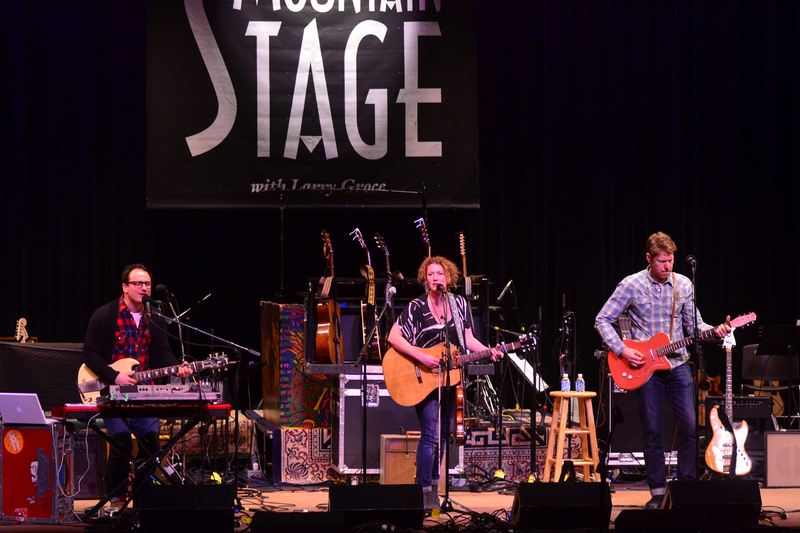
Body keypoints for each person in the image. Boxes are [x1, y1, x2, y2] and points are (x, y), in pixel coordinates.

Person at [595, 232, 730, 509]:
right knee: (653, 431)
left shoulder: (683, 284)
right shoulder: (631, 285)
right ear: (649, 258)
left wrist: (716, 331)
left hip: (679, 364)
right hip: (646, 368)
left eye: (670, 261)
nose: (667, 266)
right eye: (662, 261)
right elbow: (602, 320)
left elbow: (694, 327)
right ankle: (657, 492)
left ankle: (687, 489)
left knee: (691, 427)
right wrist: (622, 350)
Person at [388, 256, 502, 511]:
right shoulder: (417, 306)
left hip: (452, 377)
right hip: (423, 377)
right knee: (429, 435)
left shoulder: (459, 304)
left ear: (449, 278)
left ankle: (434, 491)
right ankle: (422, 491)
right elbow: (393, 337)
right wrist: (422, 357)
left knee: (441, 436)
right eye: (431, 274)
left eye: (440, 273)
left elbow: (468, 339)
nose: (436, 278)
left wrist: (489, 350)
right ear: (425, 279)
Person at [82, 263, 193, 507]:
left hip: (145, 391)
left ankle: (144, 501)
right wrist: (114, 376)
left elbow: (163, 353)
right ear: (124, 287)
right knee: (120, 444)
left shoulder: (156, 317)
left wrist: (179, 368)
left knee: (151, 446)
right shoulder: (104, 315)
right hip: (114, 390)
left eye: (147, 284)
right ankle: (117, 500)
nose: (144, 288)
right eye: (138, 284)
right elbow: (89, 355)